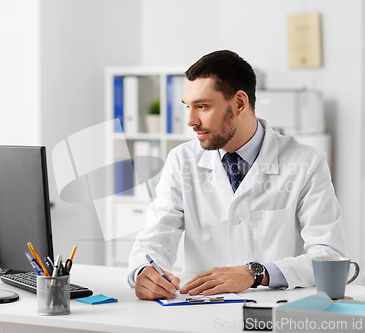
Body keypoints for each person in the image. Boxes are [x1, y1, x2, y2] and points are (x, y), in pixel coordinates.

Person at [128, 50, 348, 300]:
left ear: (240, 103)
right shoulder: (181, 160)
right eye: (188, 107)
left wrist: (257, 273)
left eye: (202, 106)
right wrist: (143, 271)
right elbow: (157, 234)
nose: (190, 120)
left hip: (274, 307)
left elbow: (328, 255)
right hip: (200, 307)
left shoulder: (306, 162)